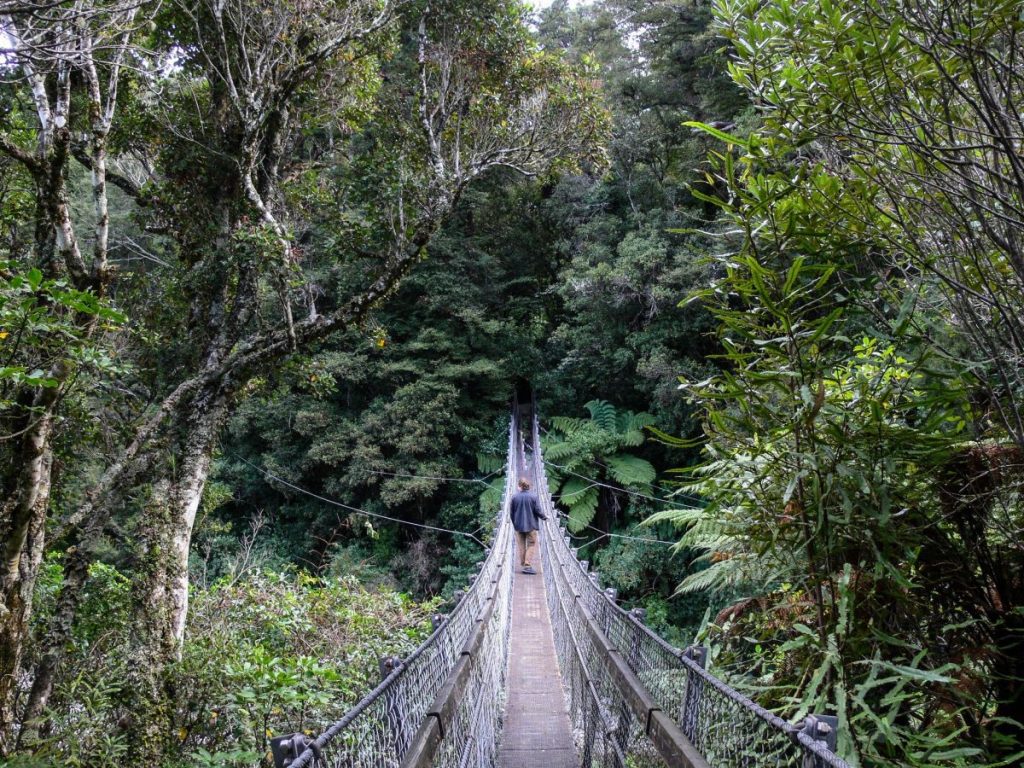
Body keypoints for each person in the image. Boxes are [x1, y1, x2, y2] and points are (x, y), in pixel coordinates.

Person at [510, 477, 546, 574]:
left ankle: (524, 564)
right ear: (527, 486)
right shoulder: (533, 497)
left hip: (518, 526)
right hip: (531, 526)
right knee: (531, 544)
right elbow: (538, 511)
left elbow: (511, 513)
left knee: (521, 545)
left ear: (519, 486)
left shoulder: (514, 497)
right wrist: (545, 517)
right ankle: (527, 565)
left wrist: (515, 524)